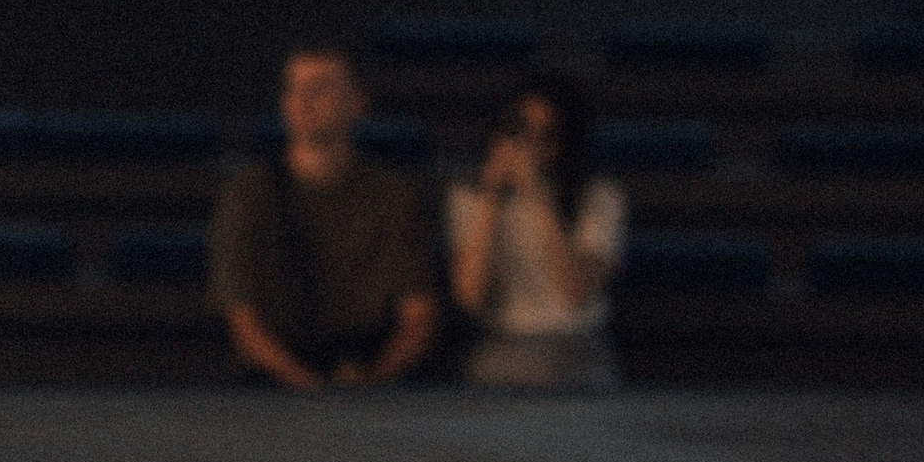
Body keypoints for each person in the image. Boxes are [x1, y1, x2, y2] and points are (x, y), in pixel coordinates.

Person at [210, 42, 442, 390]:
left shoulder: (394, 195)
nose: (302, 102)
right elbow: (243, 320)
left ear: (357, 102)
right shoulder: (250, 195)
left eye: (320, 89)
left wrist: (373, 382)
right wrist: (308, 386)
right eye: (293, 89)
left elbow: (419, 315)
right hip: (277, 374)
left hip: (373, 366)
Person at [447, 72, 626, 389]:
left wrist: (540, 200)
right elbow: (470, 297)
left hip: (576, 343)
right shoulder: (468, 196)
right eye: (519, 132)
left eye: (545, 136)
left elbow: (576, 294)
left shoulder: (599, 196)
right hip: (502, 342)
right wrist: (491, 200)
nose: (529, 148)